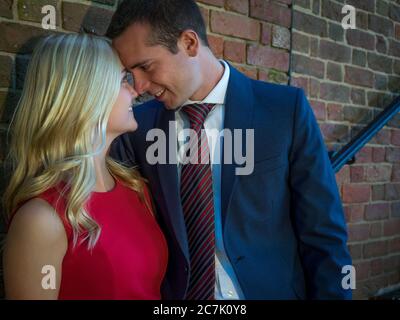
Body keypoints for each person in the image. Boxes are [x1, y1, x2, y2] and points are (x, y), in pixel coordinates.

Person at [107, 0, 353, 300]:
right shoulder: (137, 129)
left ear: (189, 43)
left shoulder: (284, 110)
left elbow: (323, 234)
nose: (140, 86)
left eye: (145, 66)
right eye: (130, 73)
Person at [2, 33, 168, 300]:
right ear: (88, 95)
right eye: (123, 79)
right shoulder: (41, 220)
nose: (136, 90)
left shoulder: (136, 188)